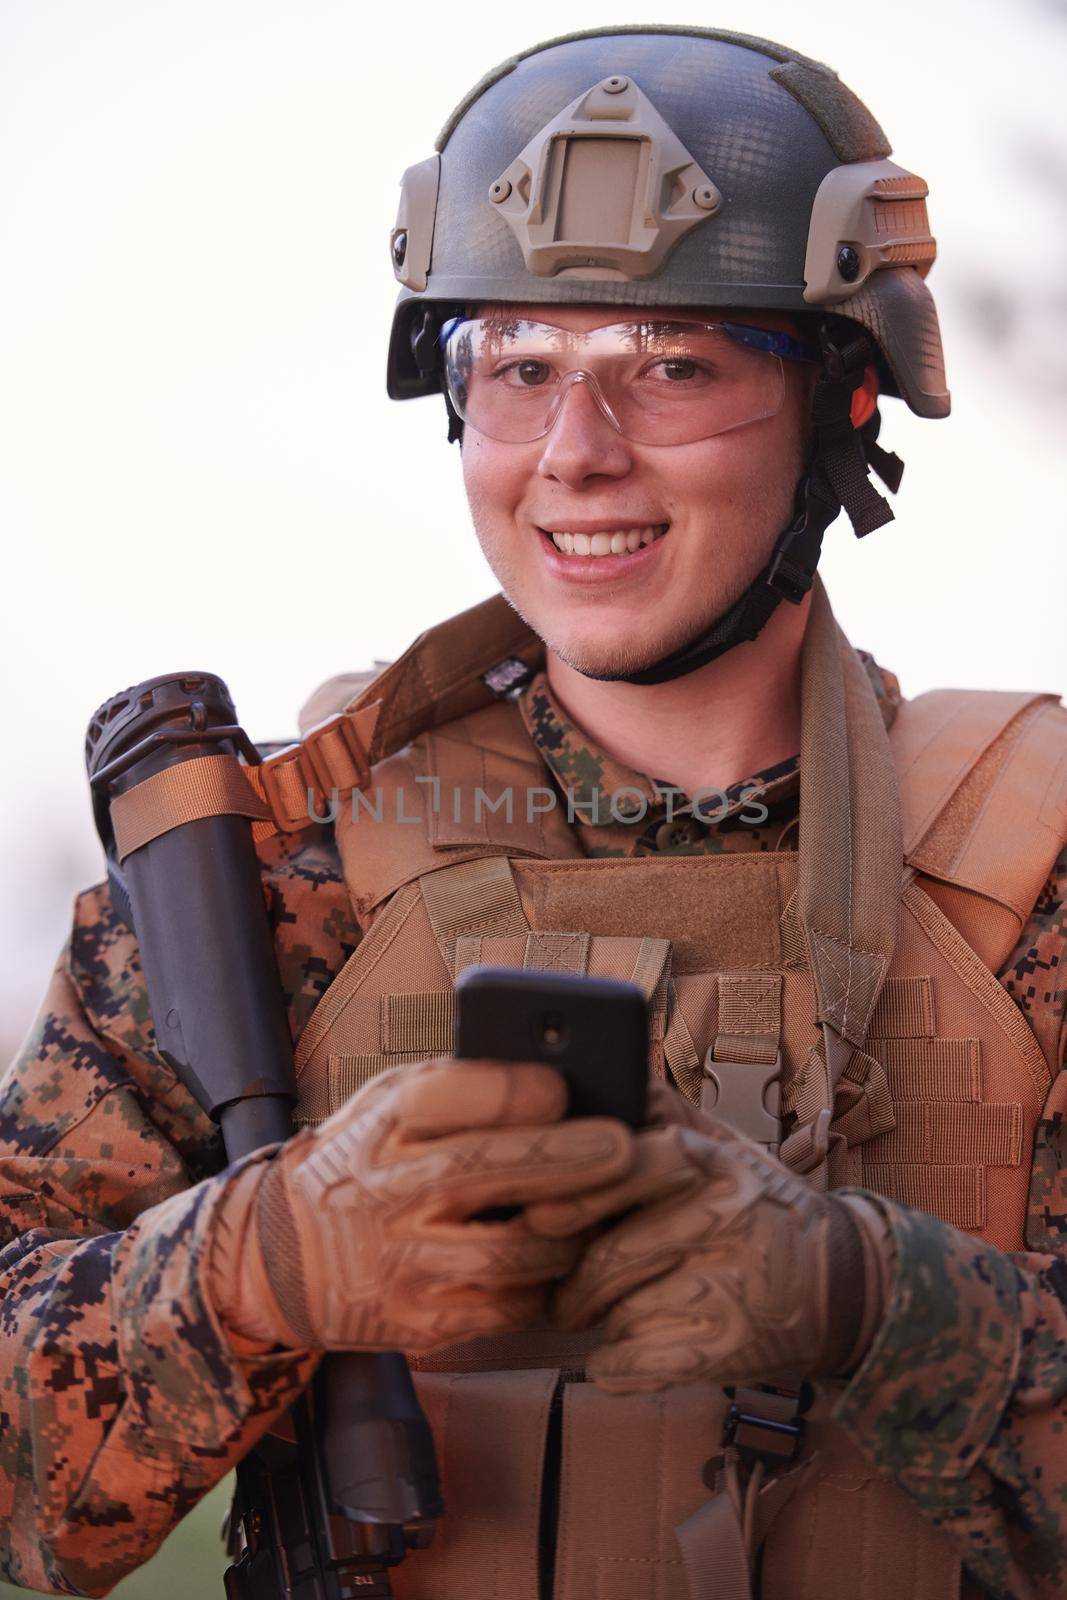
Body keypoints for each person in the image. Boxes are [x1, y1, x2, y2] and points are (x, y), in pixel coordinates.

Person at [1, 25, 1064, 1600]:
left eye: (675, 367)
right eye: (518, 367)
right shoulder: (273, 883)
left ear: (847, 404)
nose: (577, 454)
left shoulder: (1026, 872)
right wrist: (256, 1267)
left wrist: (869, 1303)